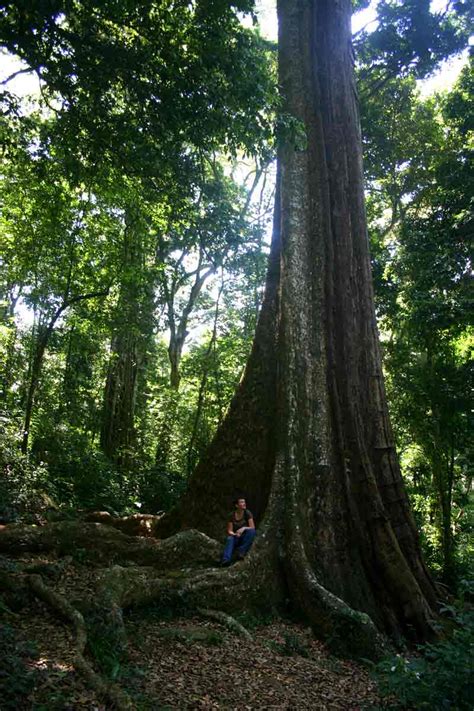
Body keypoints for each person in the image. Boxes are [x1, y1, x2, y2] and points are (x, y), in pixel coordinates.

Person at [220, 496, 256, 566]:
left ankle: (241, 552)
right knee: (230, 538)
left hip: (245, 537)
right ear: (237, 505)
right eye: (242, 502)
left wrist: (244, 528)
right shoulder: (231, 515)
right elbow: (229, 530)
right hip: (236, 537)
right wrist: (235, 534)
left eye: (244, 502)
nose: (244, 504)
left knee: (252, 532)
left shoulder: (247, 513)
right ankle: (225, 560)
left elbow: (252, 527)